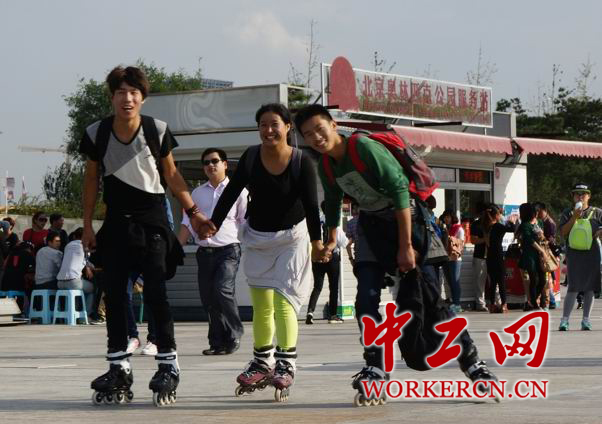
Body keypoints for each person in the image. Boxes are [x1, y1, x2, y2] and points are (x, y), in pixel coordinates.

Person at [295, 104, 499, 403]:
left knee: (431, 299)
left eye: (319, 129)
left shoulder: (362, 147)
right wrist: (331, 240)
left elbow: (401, 191)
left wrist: (405, 246)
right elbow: (334, 201)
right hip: (371, 227)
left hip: (407, 221)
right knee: (366, 299)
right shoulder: (326, 164)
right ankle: (376, 365)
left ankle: (472, 362)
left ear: (333, 125)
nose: (316, 137)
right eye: (308, 134)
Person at [80, 65, 211, 406]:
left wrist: (195, 214)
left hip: (152, 221)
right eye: (121, 92)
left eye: (133, 92)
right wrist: (88, 225)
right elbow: (91, 180)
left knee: (155, 292)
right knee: (114, 295)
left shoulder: (156, 129)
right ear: (112, 97)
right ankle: (118, 366)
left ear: (143, 97)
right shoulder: (97, 133)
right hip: (116, 223)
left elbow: (172, 174)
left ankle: (168, 364)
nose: (127, 98)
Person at [200, 103, 323, 400]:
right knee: (262, 304)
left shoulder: (301, 161)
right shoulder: (252, 156)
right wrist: (214, 222)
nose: (269, 130)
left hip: (292, 237)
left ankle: (286, 363)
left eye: (274, 124)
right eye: (263, 125)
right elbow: (232, 191)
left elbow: (311, 204)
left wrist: (317, 242)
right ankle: (261, 361)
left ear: (287, 127)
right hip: (257, 237)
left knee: (283, 301)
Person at [178, 147, 247, 356]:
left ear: (225, 164)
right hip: (204, 252)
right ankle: (217, 342)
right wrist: (176, 247)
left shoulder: (239, 191)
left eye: (215, 161)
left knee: (222, 290)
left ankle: (234, 334)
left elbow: (245, 222)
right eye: (206, 162)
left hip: (228, 251)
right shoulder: (197, 193)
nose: (210, 165)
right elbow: (187, 223)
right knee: (209, 299)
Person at [558, 183, 602, 331]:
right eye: (577, 194)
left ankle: (586, 320)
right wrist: (574, 217)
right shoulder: (568, 212)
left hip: (592, 253)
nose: (580, 196)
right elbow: (563, 232)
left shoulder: (597, 212)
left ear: (589, 196)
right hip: (574, 254)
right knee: (573, 287)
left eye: (583, 194)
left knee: (590, 288)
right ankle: (564, 320)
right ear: (573, 197)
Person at [306, 201, 349, 324]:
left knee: (317, 286)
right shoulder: (334, 223)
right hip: (332, 256)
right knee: (333, 287)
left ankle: (310, 312)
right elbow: (343, 242)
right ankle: (333, 315)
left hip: (318, 255)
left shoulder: (317, 221)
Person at [482, 204, 518, 313]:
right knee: (501, 281)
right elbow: (511, 229)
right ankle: (503, 305)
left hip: (489, 256)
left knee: (493, 282)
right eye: (499, 214)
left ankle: (492, 305)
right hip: (498, 255)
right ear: (496, 215)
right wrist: (512, 221)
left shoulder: (486, 226)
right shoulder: (497, 226)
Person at [517, 203, 548, 311]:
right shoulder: (525, 225)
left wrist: (541, 235)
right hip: (530, 255)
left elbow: (542, 237)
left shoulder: (539, 222)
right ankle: (534, 304)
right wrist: (541, 251)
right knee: (533, 279)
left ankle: (531, 302)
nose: (536, 213)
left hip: (539, 255)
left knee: (542, 280)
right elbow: (530, 240)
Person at [57, 227, 95, 313]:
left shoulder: (67, 246)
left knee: (76, 288)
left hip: (60, 282)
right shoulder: (85, 246)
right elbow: (87, 261)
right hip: (73, 282)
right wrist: (91, 267)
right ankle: (86, 314)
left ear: (74, 236)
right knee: (92, 288)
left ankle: (70, 316)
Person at [535, 202, 558, 309]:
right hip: (546, 252)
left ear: (544, 210)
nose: (538, 214)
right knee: (547, 278)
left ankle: (551, 300)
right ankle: (550, 300)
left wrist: (543, 240)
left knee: (547, 278)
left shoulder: (549, 222)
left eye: (539, 211)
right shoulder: (543, 221)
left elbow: (551, 239)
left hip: (549, 253)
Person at [441, 210, 464, 313]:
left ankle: (457, 304)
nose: (446, 219)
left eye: (448, 217)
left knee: (455, 281)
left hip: (455, 258)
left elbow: (460, 243)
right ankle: (453, 302)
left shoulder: (459, 228)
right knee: (450, 281)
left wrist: (450, 238)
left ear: (452, 217)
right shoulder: (444, 228)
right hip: (445, 257)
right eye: (445, 217)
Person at [470, 202, 489, 311]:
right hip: (480, 256)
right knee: (480, 281)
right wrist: (485, 240)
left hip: (492, 256)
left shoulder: (494, 224)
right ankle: (480, 304)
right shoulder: (476, 224)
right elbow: (473, 240)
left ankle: (498, 302)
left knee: (495, 281)